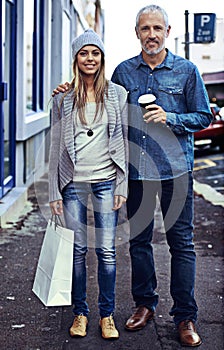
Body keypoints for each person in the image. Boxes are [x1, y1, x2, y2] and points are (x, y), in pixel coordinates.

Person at [52, 5, 213, 347]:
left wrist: (171, 117)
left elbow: (203, 116)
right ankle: (145, 305)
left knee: (181, 244)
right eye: (145, 29)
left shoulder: (186, 71)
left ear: (167, 32)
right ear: (137, 33)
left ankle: (186, 316)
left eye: (157, 28)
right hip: (138, 172)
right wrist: (68, 89)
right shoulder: (124, 72)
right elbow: (97, 95)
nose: (151, 34)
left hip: (176, 171)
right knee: (139, 244)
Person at [49, 29, 128, 340]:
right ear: (76, 58)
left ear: (102, 58)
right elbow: (55, 145)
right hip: (73, 183)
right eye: (84, 53)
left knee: (107, 251)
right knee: (78, 251)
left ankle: (107, 316)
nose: (90, 58)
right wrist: (54, 190)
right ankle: (80, 313)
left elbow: (122, 141)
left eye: (95, 53)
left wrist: (122, 185)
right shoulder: (62, 99)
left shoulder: (118, 95)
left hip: (107, 181)